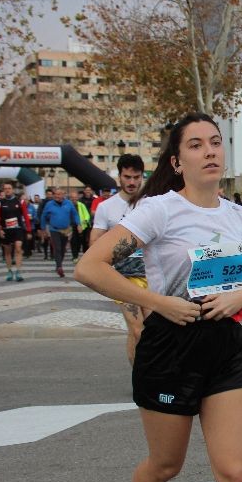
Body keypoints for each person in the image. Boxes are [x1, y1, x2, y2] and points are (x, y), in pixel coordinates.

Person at [75, 113, 242, 482]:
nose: (210, 152)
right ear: (177, 161)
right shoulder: (159, 210)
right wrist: (160, 303)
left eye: (215, 143)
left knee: (236, 475)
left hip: (224, 346)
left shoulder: (240, 217)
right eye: (196, 145)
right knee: (167, 465)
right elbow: (89, 267)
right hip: (170, 346)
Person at [90, 154, 149, 365]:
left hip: (151, 275)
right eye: (127, 177)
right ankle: (140, 378)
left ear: (142, 176)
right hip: (123, 278)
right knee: (137, 329)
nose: (132, 182)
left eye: (136, 177)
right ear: (119, 177)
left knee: (152, 331)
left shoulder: (151, 203)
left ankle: (150, 374)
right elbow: (94, 242)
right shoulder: (107, 207)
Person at [0, 182, 32, 282]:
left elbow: (26, 216)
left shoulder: (20, 201)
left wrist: (28, 231)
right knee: (7, 251)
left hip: (18, 229)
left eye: (9, 188)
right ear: (3, 190)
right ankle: (9, 270)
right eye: (5, 188)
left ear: (13, 190)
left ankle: (18, 271)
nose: (7, 190)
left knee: (18, 248)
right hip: (6, 230)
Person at [41, 187, 80, 278]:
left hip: (65, 230)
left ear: (63, 195)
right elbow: (43, 216)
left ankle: (59, 264)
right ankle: (59, 267)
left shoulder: (69, 203)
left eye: (59, 194)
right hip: (54, 229)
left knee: (62, 249)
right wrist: (43, 229)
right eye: (56, 194)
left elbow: (74, 214)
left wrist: (78, 224)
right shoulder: (49, 204)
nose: (57, 196)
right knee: (57, 248)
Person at [69, 191, 92, 260]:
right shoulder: (68, 205)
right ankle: (75, 256)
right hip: (72, 226)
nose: (74, 199)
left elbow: (87, 215)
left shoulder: (81, 205)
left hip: (82, 227)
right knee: (73, 242)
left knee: (83, 242)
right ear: (70, 198)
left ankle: (85, 256)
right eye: (72, 198)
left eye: (75, 197)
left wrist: (85, 221)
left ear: (78, 198)